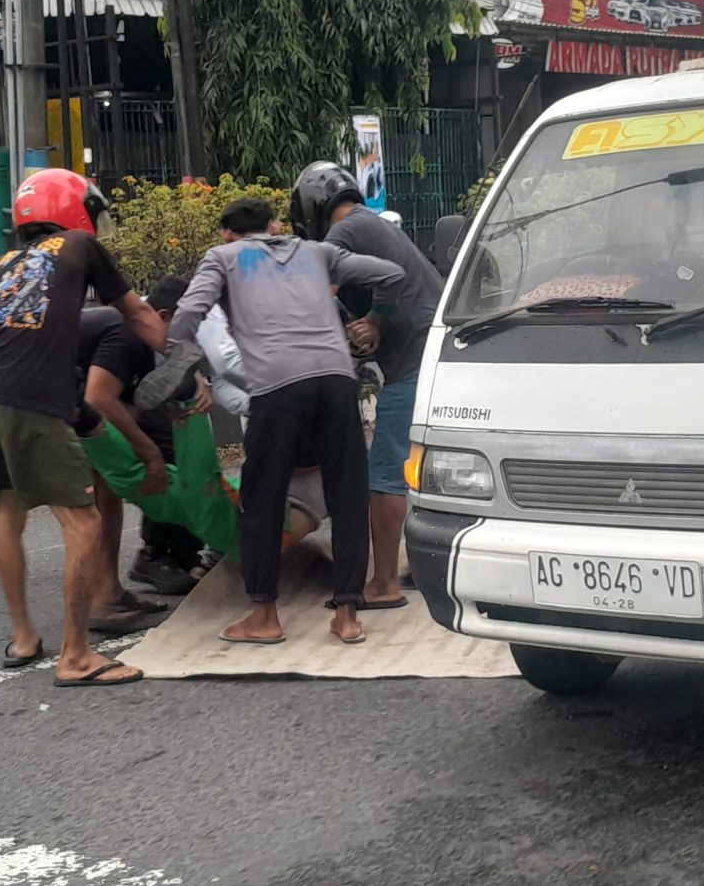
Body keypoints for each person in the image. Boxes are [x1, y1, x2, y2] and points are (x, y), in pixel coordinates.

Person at [165, 196, 405, 647]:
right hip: (336, 378)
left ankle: (264, 616)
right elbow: (392, 274)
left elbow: (189, 312)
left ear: (226, 233)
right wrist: (378, 319)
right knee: (349, 492)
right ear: (274, 226)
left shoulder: (223, 257)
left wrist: (177, 368)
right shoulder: (316, 251)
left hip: (276, 385)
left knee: (261, 497)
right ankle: (348, 615)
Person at [0, 168, 164, 686]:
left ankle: (25, 637)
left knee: (9, 514)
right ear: (75, 209)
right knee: (85, 523)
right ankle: (76, 657)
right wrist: (182, 361)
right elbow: (137, 315)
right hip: (30, 400)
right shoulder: (79, 246)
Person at [293, 161, 445, 611]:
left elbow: (317, 295)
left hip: (414, 359)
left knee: (385, 475)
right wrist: (371, 325)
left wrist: (376, 321)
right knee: (422, 470)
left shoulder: (343, 234)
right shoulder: (369, 223)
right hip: (432, 352)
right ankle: (422, 565)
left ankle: (382, 584)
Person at [76, 279, 237, 598]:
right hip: (62, 399)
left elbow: (154, 380)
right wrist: (148, 453)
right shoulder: (124, 333)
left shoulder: (151, 332)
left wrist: (194, 380)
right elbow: (99, 399)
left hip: (94, 396)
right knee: (155, 462)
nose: (191, 336)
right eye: (187, 326)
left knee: (178, 446)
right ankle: (150, 560)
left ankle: (117, 586)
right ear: (162, 317)